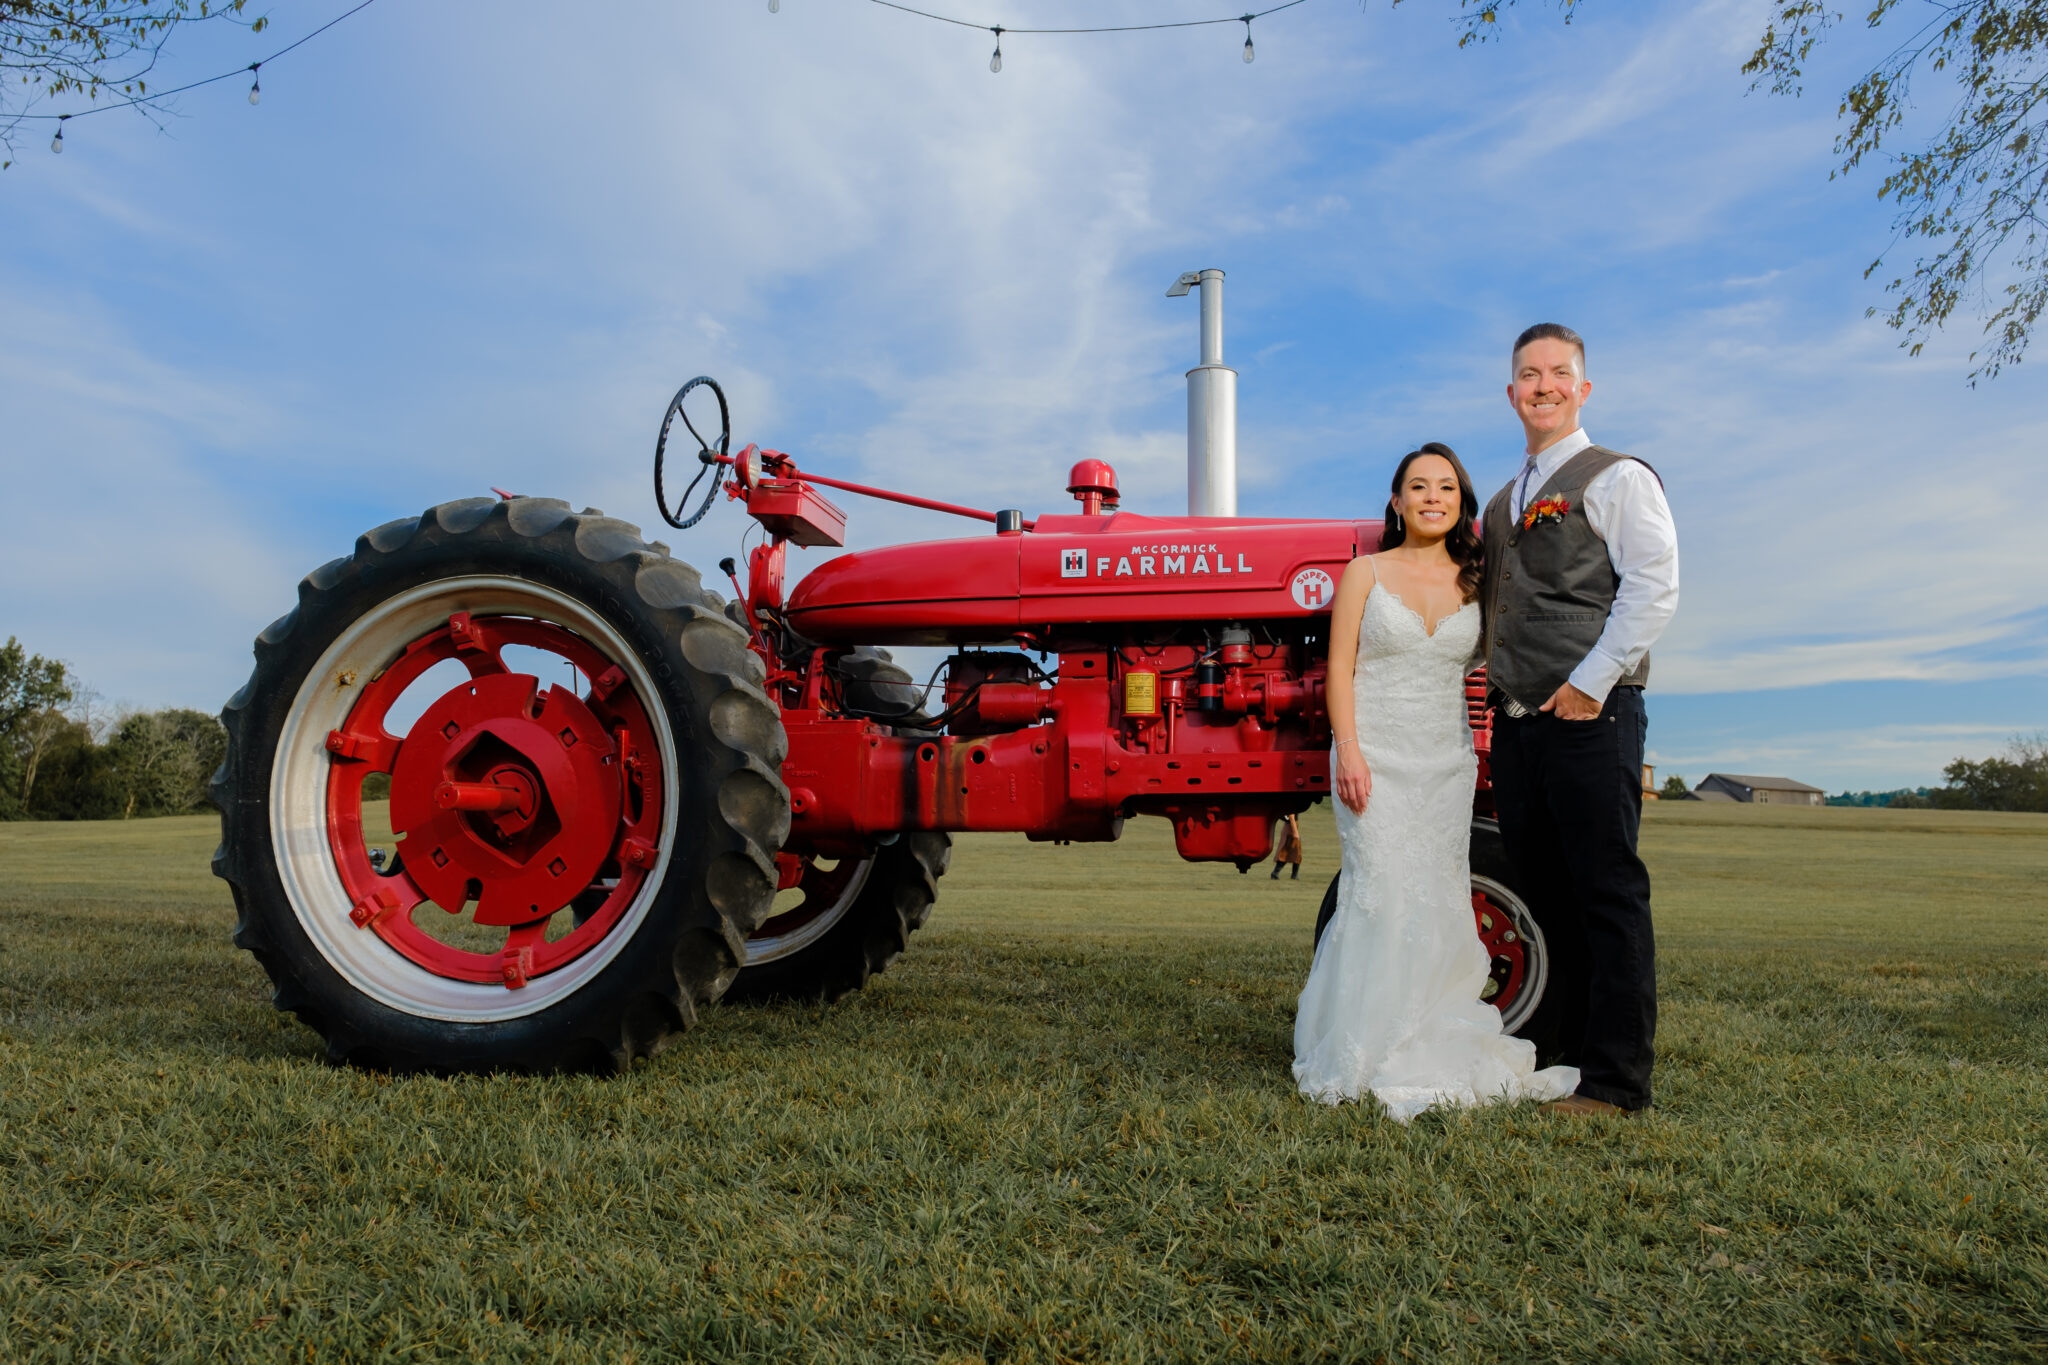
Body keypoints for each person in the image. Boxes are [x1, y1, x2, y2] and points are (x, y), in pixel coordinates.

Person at [1294, 442, 1579, 1120]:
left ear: (1461, 503)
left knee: (1438, 893)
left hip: (1447, 761)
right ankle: (1364, 1045)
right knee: (1379, 892)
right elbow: (1339, 670)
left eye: (1445, 487)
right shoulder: (1364, 572)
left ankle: (1430, 1034)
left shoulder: (1476, 582)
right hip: (1375, 757)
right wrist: (1348, 752)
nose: (1432, 497)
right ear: (1397, 502)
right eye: (1418, 486)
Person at [1479, 324, 1679, 1118]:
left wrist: (1591, 684)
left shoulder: (1618, 476)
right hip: (1518, 722)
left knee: (1606, 889)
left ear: (1583, 388)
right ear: (1512, 393)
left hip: (1594, 713)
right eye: (1530, 375)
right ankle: (1565, 1054)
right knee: (1544, 890)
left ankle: (1618, 1082)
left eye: (1559, 372)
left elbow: (1653, 587)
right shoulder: (1503, 503)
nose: (1544, 386)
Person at [1270, 813, 1303, 880]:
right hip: (1291, 827)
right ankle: (1275, 872)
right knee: (1289, 851)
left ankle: (1294, 875)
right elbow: (1291, 816)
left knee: (1294, 852)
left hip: (1290, 826)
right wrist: (1295, 832)